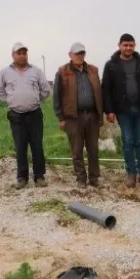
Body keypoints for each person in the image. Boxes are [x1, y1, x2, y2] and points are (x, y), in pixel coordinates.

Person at [102, 33, 140, 190]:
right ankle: (131, 174)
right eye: (125, 45)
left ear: (134, 46)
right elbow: (106, 89)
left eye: (131, 45)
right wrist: (109, 111)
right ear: (119, 45)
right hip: (122, 110)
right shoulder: (111, 65)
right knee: (128, 141)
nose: (128, 48)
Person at [0, 42, 52, 189]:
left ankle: (39, 176)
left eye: (24, 53)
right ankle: (22, 178)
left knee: (37, 146)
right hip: (16, 116)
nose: (22, 56)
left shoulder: (36, 71)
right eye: (19, 53)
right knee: (20, 147)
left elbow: (46, 89)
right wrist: (11, 100)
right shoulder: (4, 73)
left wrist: (35, 99)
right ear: (13, 55)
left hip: (34, 114)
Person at [52, 42, 103, 188]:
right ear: (70, 55)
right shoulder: (62, 71)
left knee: (93, 149)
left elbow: (100, 92)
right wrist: (60, 118)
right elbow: (56, 96)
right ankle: (81, 179)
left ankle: (94, 178)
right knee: (77, 150)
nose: (80, 56)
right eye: (77, 53)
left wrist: (101, 114)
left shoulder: (93, 70)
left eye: (82, 53)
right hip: (73, 117)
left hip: (92, 115)